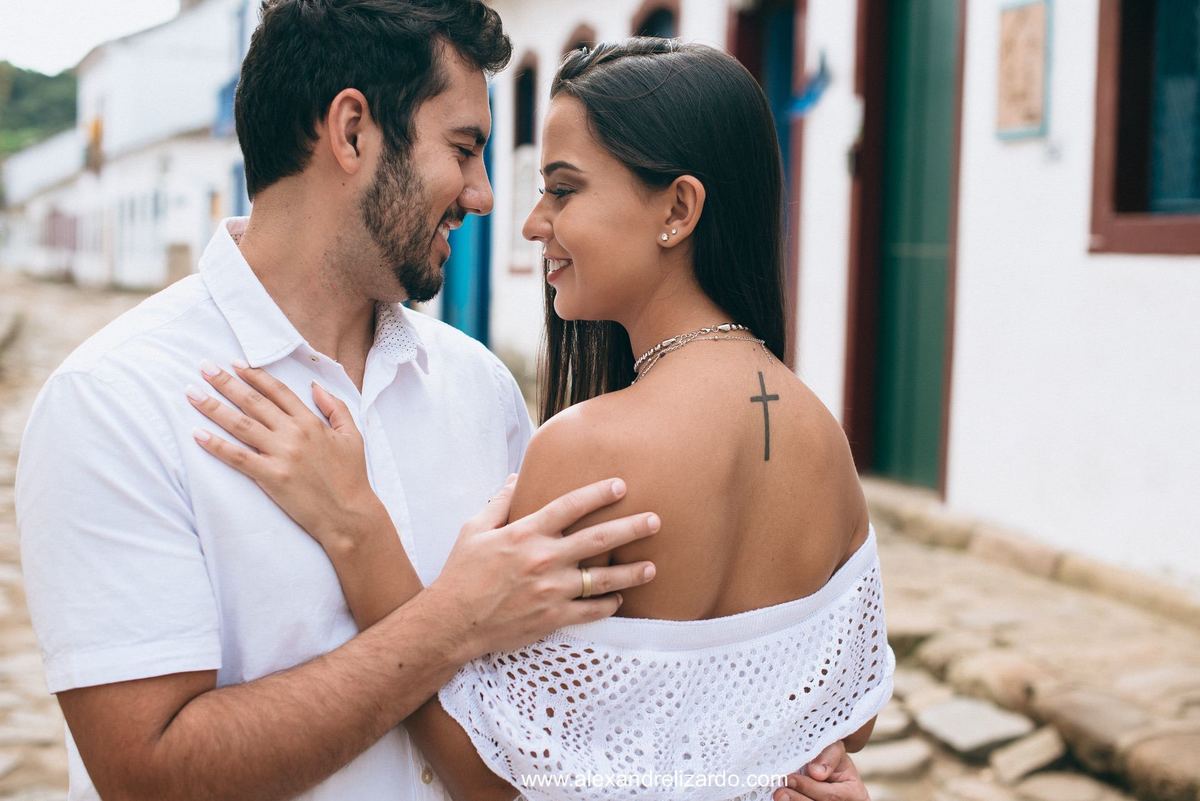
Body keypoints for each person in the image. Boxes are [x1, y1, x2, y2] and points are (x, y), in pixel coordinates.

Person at [14, 3, 868, 800]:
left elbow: (545, 758)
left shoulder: (483, 390)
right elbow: (147, 773)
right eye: (464, 149)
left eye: (559, 187)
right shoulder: (118, 402)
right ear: (353, 131)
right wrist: (452, 619)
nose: (492, 199)